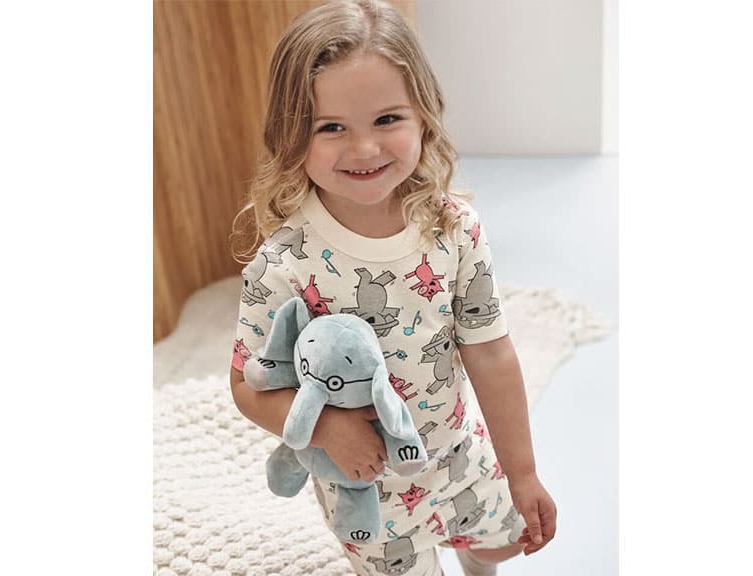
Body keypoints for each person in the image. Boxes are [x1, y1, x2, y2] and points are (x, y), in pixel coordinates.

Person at [229, 1, 556, 574]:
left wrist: (522, 471)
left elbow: (489, 351)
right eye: (331, 127)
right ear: (291, 134)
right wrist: (326, 428)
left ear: (424, 116)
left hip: (458, 456)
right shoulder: (282, 265)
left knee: (500, 544)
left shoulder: (453, 228)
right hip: (365, 489)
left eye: (387, 120)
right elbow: (245, 385)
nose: (364, 149)